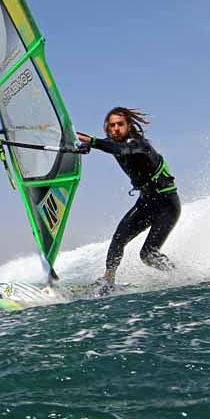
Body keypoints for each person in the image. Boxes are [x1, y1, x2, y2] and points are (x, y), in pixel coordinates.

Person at [76, 107, 179, 295]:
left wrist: (92, 141)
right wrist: (86, 145)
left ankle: (178, 276)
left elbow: (122, 150)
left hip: (167, 205)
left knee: (148, 255)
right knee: (118, 238)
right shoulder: (112, 143)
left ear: (129, 125)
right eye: (112, 125)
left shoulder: (139, 144)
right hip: (146, 202)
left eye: (120, 124)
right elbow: (107, 145)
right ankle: (108, 280)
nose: (115, 128)